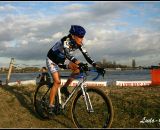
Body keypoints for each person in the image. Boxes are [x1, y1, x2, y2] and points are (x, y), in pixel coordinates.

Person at [46, 25, 105, 115]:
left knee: (78, 70)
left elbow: (86, 56)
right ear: (73, 36)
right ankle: (50, 105)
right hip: (52, 60)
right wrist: (78, 62)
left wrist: (96, 66)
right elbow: (68, 55)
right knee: (57, 82)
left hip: (62, 60)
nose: (82, 39)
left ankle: (64, 88)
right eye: (80, 37)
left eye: (83, 37)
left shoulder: (79, 43)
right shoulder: (66, 40)